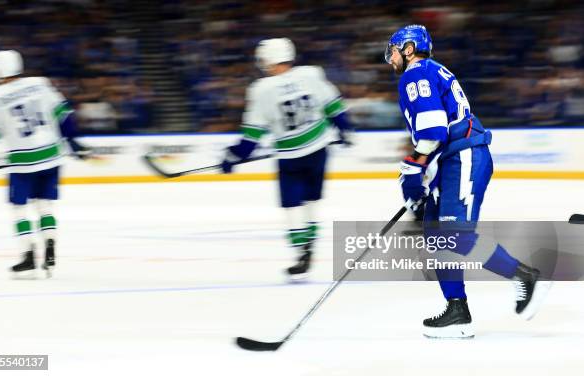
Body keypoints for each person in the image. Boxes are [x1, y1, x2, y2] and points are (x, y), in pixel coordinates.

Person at [385, 25, 552, 338]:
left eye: (394, 48)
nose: (389, 56)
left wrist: (413, 167)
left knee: (454, 234)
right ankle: (457, 310)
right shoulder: (429, 70)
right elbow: (438, 133)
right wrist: (423, 176)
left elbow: (434, 132)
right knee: (438, 237)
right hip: (453, 159)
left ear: (409, 49)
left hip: (463, 157)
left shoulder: (415, 73)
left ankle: (524, 276)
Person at [221, 38, 352, 280]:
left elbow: (250, 140)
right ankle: (309, 244)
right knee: (312, 199)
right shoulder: (312, 74)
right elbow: (334, 107)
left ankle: (302, 251)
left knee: (292, 204)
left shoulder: (261, 89)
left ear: (268, 59)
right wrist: (345, 131)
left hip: (290, 157)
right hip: (319, 148)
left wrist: (231, 158)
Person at [0, 50, 89, 278]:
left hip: (23, 161)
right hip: (51, 154)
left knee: (19, 208)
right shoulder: (40, 83)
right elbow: (63, 114)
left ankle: (27, 255)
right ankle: (50, 247)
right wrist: (72, 141)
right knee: (45, 205)